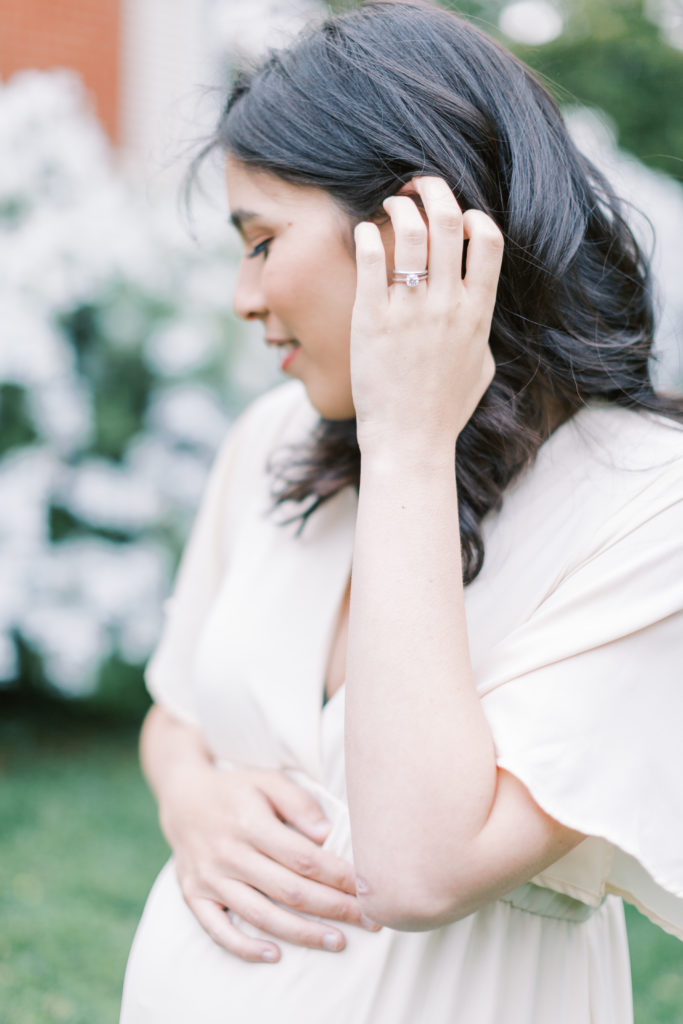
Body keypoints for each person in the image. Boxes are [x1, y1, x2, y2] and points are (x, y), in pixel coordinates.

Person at [120, 2, 683, 1021]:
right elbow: (177, 716)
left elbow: (420, 868)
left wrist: (409, 441)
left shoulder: (649, 506)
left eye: (261, 241)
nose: (244, 298)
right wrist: (193, 803)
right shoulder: (272, 443)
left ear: (409, 233)